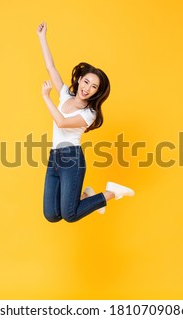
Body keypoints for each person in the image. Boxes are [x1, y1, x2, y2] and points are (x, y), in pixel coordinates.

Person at [37, 21, 135, 223]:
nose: (87, 88)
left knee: (70, 215)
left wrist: (46, 98)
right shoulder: (65, 95)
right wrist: (42, 37)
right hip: (54, 158)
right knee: (52, 215)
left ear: (96, 93)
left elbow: (62, 122)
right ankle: (85, 197)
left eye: (94, 87)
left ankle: (111, 193)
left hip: (72, 160)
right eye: (86, 82)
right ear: (80, 79)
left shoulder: (89, 113)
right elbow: (50, 67)